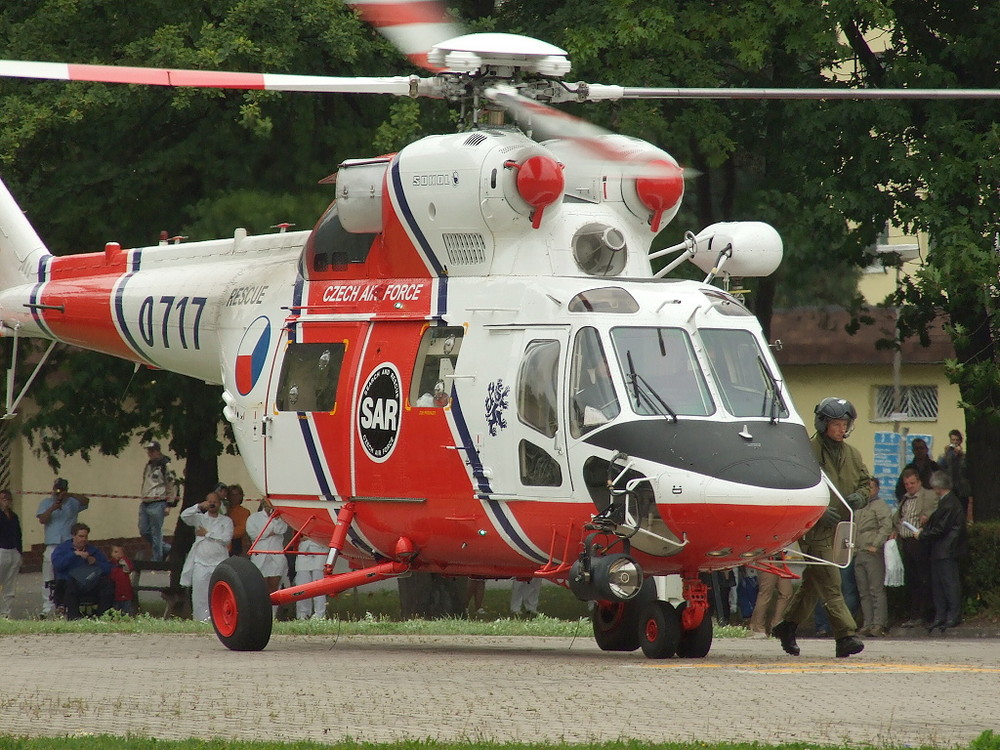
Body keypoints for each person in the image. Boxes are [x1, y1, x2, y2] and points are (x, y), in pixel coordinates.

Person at [772, 397, 871, 658]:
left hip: (841, 528)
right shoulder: (807, 452)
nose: (842, 429)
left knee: (814, 583)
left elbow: (865, 483)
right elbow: (796, 485)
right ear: (823, 423)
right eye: (837, 424)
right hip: (814, 529)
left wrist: (861, 497)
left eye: (845, 424)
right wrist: (818, 510)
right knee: (831, 581)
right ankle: (845, 636)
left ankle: (787, 625)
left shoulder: (853, 454)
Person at [920, 471, 968, 632]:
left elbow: (941, 528)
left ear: (938, 486)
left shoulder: (949, 503)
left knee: (949, 584)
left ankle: (951, 616)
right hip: (942, 550)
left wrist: (922, 533)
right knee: (940, 585)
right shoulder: (948, 502)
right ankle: (942, 616)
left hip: (946, 550)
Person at [36, 478, 90, 617]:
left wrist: (69, 495)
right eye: (57, 489)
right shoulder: (46, 502)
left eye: (61, 489)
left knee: (67, 575)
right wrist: (54, 506)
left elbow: (86, 501)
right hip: (52, 544)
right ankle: (47, 607)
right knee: (48, 576)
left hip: (68, 545)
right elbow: (42, 519)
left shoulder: (73, 503)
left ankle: (65, 604)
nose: (58, 492)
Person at [895, 467, 939, 627]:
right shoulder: (905, 498)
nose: (910, 486)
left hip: (919, 541)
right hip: (905, 541)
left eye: (912, 483)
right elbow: (899, 517)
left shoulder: (927, 495)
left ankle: (925, 613)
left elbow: (935, 512)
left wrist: (927, 518)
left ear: (919, 482)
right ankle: (914, 614)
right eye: (907, 484)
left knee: (923, 578)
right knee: (912, 579)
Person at [180, 492, 233, 622]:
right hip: (201, 563)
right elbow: (184, 516)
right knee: (199, 595)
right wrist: (198, 506)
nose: (212, 504)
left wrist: (207, 534)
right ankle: (200, 620)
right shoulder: (200, 518)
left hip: (218, 563)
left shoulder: (226, 521)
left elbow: (226, 539)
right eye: (209, 501)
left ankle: (219, 619)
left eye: (215, 501)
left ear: (220, 504)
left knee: (218, 593)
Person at [854, 477, 894, 637]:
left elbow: (886, 526)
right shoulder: (859, 507)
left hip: (872, 552)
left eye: (870, 488)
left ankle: (879, 623)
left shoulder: (880, 506)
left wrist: (876, 544)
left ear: (877, 489)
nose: (868, 491)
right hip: (858, 551)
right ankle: (867, 623)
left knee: (875, 589)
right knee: (863, 591)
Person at [51, 522, 114, 619]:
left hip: (90, 582)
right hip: (69, 583)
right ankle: (74, 617)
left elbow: (108, 568)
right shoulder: (62, 549)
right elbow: (58, 566)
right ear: (73, 536)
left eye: (85, 536)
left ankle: (103, 616)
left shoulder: (93, 550)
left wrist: (95, 562)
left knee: (107, 584)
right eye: (81, 536)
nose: (84, 539)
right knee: (70, 585)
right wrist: (74, 555)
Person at [246, 499, 289, 613]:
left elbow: (282, 530)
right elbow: (253, 534)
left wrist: (274, 520)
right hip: (260, 555)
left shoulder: (280, 518)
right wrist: (269, 532)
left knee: (275, 586)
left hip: (276, 554)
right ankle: (261, 613)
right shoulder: (254, 518)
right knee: (261, 587)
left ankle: (273, 614)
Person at [139, 440, 178, 562]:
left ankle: (157, 559)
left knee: (156, 533)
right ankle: (166, 548)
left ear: (157, 451)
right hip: (146, 502)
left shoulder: (165, 465)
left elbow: (171, 484)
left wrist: (169, 504)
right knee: (144, 530)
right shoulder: (149, 465)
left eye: (152, 451)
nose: (149, 453)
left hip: (158, 502)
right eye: (148, 451)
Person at [748, 568, 793, 638]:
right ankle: (757, 628)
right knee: (765, 594)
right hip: (768, 562)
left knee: (787, 593)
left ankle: (777, 626)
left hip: (781, 562)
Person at [937, 429, 972, 519]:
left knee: (961, 513)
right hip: (950, 488)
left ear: (960, 441)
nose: (955, 443)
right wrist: (946, 454)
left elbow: (967, 470)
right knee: (950, 513)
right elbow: (939, 467)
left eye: (957, 440)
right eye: (953, 440)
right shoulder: (945, 456)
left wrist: (960, 455)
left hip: (962, 491)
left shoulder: (964, 456)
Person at [894, 438, 940, 502]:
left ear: (926, 449)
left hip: (931, 502)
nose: (919, 451)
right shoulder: (908, 468)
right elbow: (899, 490)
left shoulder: (934, 467)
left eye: (921, 448)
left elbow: (941, 487)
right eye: (916, 449)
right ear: (913, 451)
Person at [0, 489, 23, 618]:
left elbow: (18, 535)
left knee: (9, 584)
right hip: (1, 550)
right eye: (3, 498)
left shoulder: (14, 516)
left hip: (13, 551)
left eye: (8, 498)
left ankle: (6, 613)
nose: (6, 501)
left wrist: (20, 553)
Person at [294, 537, 327, 620]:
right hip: (304, 548)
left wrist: (310, 536)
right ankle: (303, 614)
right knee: (302, 582)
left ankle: (319, 614)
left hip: (321, 546)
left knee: (319, 583)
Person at [108, 544, 136, 615]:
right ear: (111, 553)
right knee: (116, 612)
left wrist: (123, 562)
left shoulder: (125, 562)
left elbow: (129, 569)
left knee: (127, 612)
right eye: (116, 552)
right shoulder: (111, 564)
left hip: (126, 594)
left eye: (121, 553)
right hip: (115, 594)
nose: (118, 555)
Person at [225, 484, 251, 556]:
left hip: (237, 544)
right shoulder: (223, 510)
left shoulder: (245, 512)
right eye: (232, 495)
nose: (234, 497)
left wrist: (225, 534)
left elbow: (242, 529)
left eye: (237, 495)